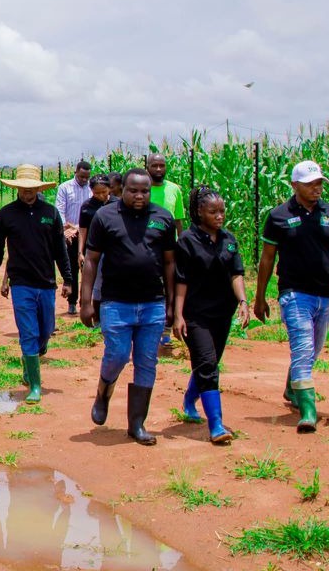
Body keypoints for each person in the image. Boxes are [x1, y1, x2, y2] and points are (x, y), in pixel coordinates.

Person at [253, 160, 329, 433]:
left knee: (312, 350)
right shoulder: (279, 216)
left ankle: (291, 387)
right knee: (304, 349)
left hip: (326, 295)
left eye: (319, 183)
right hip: (294, 294)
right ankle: (308, 412)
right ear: (295, 185)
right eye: (310, 184)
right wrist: (260, 297)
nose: (316, 188)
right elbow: (267, 259)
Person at [81, 168, 176, 445]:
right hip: (116, 302)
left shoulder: (163, 218)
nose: (139, 196)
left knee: (147, 361)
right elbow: (91, 260)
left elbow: (170, 262)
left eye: (145, 191)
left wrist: (171, 303)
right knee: (119, 355)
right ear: (122, 190)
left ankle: (137, 424)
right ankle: (104, 391)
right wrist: (86, 302)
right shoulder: (105, 217)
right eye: (133, 190)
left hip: (153, 303)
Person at [0, 164, 72, 404]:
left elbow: (60, 250)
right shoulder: (7, 214)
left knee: (46, 330)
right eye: (23, 188)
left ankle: (30, 357)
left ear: (38, 188)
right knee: (28, 332)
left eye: (31, 187)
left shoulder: (51, 213)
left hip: (46, 282)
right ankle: (35, 385)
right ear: (17, 188)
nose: (27, 191)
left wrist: (68, 279)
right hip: (21, 283)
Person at [174, 186, 251, 444]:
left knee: (210, 362)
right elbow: (181, 280)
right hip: (195, 315)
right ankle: (216, 424)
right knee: (207, 364)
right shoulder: (187, 241)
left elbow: (236, 273)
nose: (219, 216)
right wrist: (178, 315)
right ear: (199, 212)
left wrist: (243, 301)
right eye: (213, 212)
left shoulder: (228, 239)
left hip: (222, 313)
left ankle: (189, 398)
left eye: (222, 211)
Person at [146, 153, 186, 346]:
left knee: (171, 285)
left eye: (162, 165)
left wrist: (183, 245)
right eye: (154, 165)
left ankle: (166, 328)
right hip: (147, 247)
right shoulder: (142, 189)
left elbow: (178, 221)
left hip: (169, 248)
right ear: (147, 167)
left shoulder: (174, 189)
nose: (158, 169)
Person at [55, 161, 92, 316]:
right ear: (76, 172)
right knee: (72, 268)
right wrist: (69, 229)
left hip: (88, 233)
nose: (84, 179)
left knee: (88, 269)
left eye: (87, 177)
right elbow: (60, 211)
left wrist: (78, 228)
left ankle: (86, 301)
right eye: (81, 176)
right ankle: (72, 302)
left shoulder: (92, 188)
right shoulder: (65, 188)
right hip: (70, 234)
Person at [77, 174, 113, 323]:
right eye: (97, 193)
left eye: (104, 191)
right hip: (95, 250)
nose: (101, 195)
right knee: (96, 285)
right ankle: (97, 319)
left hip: (114, 250)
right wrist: (80, 252)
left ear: (109, 188)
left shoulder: (117, 203)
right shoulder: (87, 207)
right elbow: (82, 230)